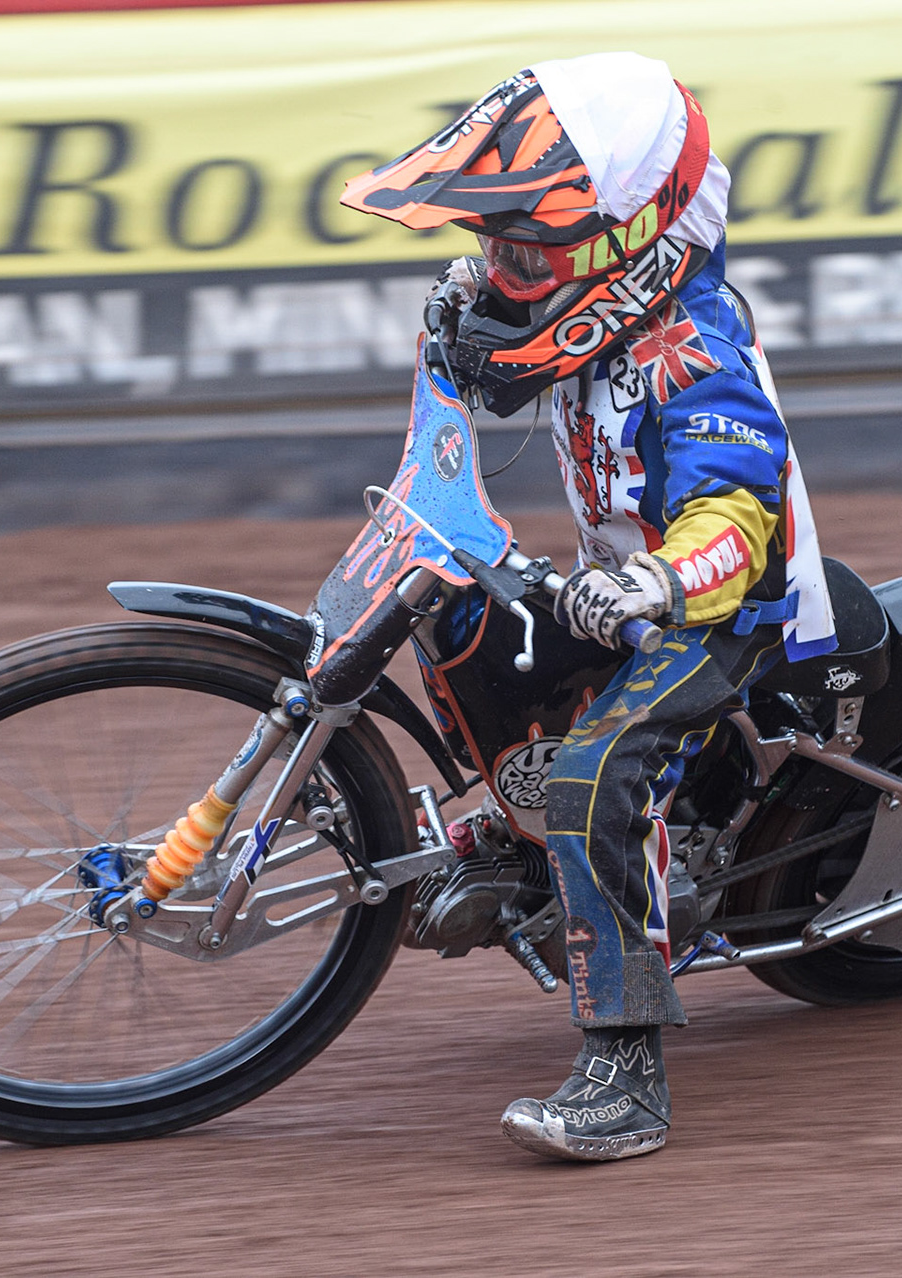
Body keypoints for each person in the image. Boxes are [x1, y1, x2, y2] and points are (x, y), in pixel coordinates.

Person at [341, 52, 838, 1161]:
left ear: (634, 242)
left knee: (592, 774)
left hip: (719, 615)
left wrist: (657, 580)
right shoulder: (594, 309)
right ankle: (524, 841)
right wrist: (462, 319)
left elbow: (735, 517)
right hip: (612, 594)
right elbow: (499, 366)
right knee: (461, 629)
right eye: (495, 248)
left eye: (527, 254)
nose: (504, 275)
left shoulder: (695, 357)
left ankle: (627, 1070)